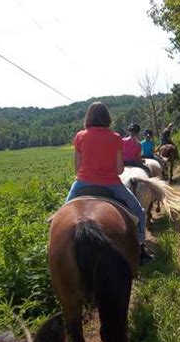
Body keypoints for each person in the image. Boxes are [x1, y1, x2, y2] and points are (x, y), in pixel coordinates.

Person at [65, 102, 153, 263]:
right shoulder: (115, 137)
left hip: (83, 182)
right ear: (107, 118)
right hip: (111, 184)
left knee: (60, 216)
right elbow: (120, 170)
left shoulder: (79, 136)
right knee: (139, 212)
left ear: (88, 117)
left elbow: (77, 168)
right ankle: (141, 247)